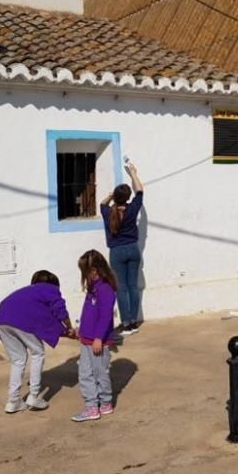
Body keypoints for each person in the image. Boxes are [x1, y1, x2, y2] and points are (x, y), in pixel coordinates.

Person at [0, 270, 74, 414]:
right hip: (20, 322)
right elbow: (60, 310)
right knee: (38, 353)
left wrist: (64, 333)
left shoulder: (28, 292)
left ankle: (13, 401)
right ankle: (34, 396)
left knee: (18, 360)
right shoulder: (50, 289)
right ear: (54, 284)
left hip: (1, 320)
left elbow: (44, 319)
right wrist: (70, 328)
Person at [71, 250, 117, 422]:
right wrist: (80, 329)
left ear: (96, 270)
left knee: (100, 373)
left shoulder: (105, 289)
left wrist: (98, 337)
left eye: (86, 272)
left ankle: (104, 403)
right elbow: (88, 311)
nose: (85, 276)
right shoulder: (93, 288)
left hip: (98, 341)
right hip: (86, 339)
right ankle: (93, 405)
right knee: (85, 373)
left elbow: (106, 315)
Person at [100, 162, 144, 335]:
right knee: (133, 286)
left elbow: (102, 203)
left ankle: (125, 324)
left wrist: (111, 196)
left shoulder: (108, 212)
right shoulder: (132, 209)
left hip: (117, 252)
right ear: (127, 198)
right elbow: (140, 192)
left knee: (121, 288)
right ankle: (134, 321)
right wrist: (133, 173)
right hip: (133, 249)